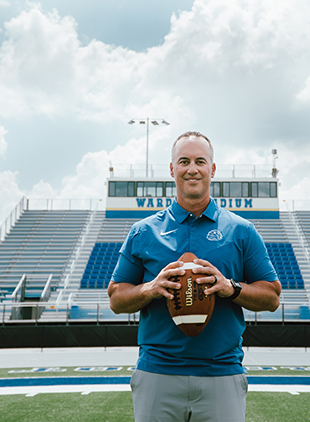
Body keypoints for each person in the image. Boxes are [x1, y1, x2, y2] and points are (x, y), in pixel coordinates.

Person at [108, 131, 282, 422]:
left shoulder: (241, 230)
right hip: (157, 371)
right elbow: (116, 298)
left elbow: (272, 297)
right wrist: (150, 288)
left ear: (212, 169)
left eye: (200, 161)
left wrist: (231, 287)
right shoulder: (142, 231)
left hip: (221, 372)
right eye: (184, 161)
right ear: (172, 169)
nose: (192, 169)